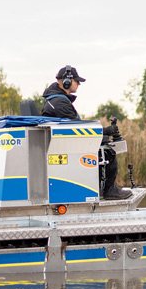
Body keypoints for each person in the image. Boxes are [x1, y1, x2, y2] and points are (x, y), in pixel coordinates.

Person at [41, 65, 132, 200]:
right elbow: (76, 129)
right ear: (67, 81)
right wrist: (106, 131)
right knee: (108, 150)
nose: (78, 84)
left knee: (103, 139)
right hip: (67, 147)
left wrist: (102, 131)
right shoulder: (59, 102)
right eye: (76, 81)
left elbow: (74, 124)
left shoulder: (56, 99)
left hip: (64, 144)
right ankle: (109, 190)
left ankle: (102, 188)